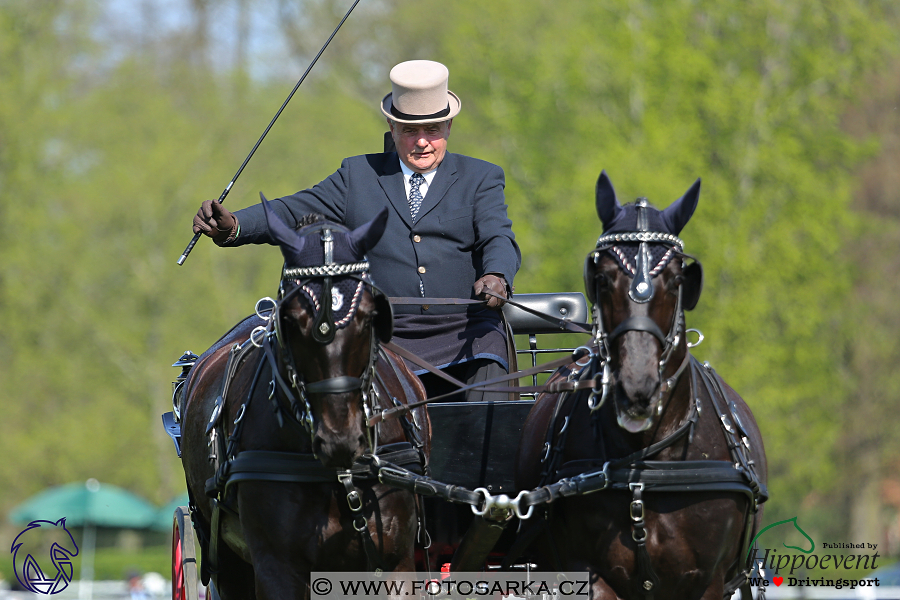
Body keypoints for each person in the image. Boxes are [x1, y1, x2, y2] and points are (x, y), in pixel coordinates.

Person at [192, 60, 520, 401]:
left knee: (490, 372)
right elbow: (292, 210)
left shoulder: (481, 177)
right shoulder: (358, 177)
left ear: (449, 126)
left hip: (468, 331)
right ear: (392, 127)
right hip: (387, 336)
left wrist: (497, 274)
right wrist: (235, 225)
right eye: (410, 131)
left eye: (433, 130)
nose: (422, 142)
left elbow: (498, 236)